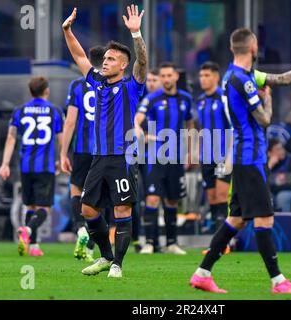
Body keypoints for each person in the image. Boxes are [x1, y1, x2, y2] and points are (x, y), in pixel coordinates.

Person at [189, 28, 291, 294]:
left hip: (244, 155)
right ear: (253, 48)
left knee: (237, 219)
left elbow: (282, 78)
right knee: (264, 218)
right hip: (251, 156)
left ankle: (202, 273)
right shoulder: (244, 80)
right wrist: (269, 100)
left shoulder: (238, 76)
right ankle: (278, 281)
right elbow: (264, 119)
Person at [62, 4, 147, 277]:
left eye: (111, 59)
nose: (105, 62)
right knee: (87, 209)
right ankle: (106, 257)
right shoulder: (96, 82)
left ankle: (118, 266)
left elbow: (143, 62)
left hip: (122, 158)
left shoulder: (132, 86)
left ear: (123, 64)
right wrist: (67, 30)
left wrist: (136, 35)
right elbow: (79, 55)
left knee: (122, 209)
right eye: (105, 58)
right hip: (98, 158)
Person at [0, 77, 64, 257]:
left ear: (30, 91)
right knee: (45, 207)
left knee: (30, 206)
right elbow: (61, 139)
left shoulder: (20, 111)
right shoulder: (54, 111)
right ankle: (27, 230)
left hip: (26, 166)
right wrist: (62, 158)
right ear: (47, 91)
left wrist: (5, 164)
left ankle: (33, 245)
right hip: (45, 166)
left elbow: (11, 138)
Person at [134, 62, 194, 255]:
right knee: (152, 199)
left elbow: (190, 124)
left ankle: (172, 243)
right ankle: (150, 243)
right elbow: (136, 121)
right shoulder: (152, 99)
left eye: (169, 75)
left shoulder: (186, 99)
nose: (166, 79)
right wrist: (148, 136)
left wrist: (191, 152)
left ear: (176, 76)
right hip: (155, 157)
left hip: (176, 158)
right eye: (163, 76)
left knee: (172, 201)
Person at [60, 45, 106, 262]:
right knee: (99, 198)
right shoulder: (111, 82)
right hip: (104, 151)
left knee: (76, 189)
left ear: (87, 59)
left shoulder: (78, 85)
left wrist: (62, 153)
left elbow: (70, 122)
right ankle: (90, 249)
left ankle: (80, 229)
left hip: (81, 149)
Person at [195, 61, 232, 238]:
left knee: (222, 195)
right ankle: (217, 239)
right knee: (212, 198)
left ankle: (224, 242)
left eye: (207, 75)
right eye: (201, 76)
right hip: (206, 157)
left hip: (222, 155)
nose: (203, 79)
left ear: (216, 77)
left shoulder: (224, 98)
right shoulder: (200, 101)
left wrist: (230, 156)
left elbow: (232, 129)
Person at [135, 68, 162, 253]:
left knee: (157, 199)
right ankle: (138, 240)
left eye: (154, 80)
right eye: (149, 80)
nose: (151, 83)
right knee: (138, 199)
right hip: (138, 156)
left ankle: (158, 242)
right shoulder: (140, 102)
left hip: (159, 157)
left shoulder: (165, 102)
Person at [267, 138, 291, 212]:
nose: (282, 151)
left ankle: (284, 223)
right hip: (274, 194)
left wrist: (275, 184)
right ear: (269, 153)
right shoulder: (266, 164)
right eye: (277, 149)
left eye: (282, 148)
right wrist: (269, 166)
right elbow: (262, 184)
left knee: (282, 196)